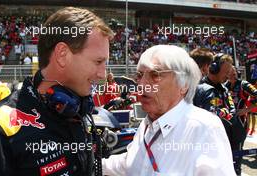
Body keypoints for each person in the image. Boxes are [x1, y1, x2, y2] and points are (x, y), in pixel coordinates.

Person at [0, 7, 113, 176]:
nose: (103, 74)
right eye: (98, 61)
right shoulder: (1, 128)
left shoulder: (79, 109)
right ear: (62, 54)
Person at [103, 45, 235, 176]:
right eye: (139, 75)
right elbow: (130, 163)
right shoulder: (146, 124)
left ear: (183, 85)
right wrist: (93, 165)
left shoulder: (204, 128)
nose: (142, 85)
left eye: (155, 75)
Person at [193, 53, 243, 175]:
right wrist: (220, 112)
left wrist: (224, 113)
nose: (228, 75)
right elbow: (208, 114)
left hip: (229, 140)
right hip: (208, 145)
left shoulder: (224, 89)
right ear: (213, 68)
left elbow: (231, 111)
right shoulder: (200, 88)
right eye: (226, 71)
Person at [225, 66, 257, 174]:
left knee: (237, 156)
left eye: (233, 72)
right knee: (228, 153)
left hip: (240, 124)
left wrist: (247, 110)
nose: (232, 74)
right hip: (227, 124)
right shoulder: (225, 86)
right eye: (229, 72)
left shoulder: (243, 84)